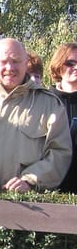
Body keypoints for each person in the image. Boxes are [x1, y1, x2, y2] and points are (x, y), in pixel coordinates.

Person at [0, 38, 72, 192]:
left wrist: (30, 180)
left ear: (25, 63)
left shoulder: (49, 105)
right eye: (3, 62)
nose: (10, 67)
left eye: (16, 61)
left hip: (26, 207)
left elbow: (60, 153)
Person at [48, 42, 77, 192]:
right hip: (51, 187)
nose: (76, 68)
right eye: (70, 63)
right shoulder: (46, 101)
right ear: (59, 65)